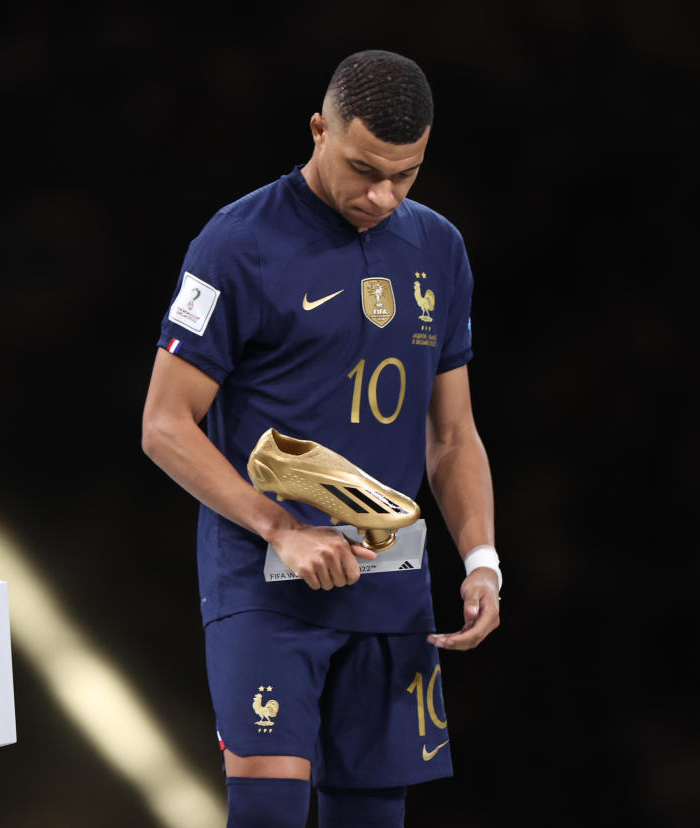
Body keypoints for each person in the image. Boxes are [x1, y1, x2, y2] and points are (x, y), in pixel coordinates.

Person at [141, 50, 500, 828]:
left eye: (405, 176)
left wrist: (481, 560)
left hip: (392, 582)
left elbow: (452, 433)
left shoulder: (439, 249)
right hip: (266, 577)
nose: (382, 195)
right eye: (363, 168)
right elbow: (165, 425)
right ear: (318, 130)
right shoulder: (234, 244)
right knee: (267, 814)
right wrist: (283, 528)